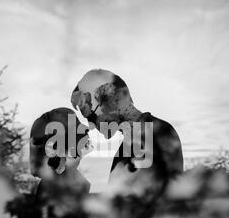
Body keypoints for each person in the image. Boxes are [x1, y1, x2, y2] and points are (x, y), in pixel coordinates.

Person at [71, 69, 183, 198]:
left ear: (115, 98)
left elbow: (177, 193)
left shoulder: (158, 131)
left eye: (93, 113)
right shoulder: (126, 145)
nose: (93, 125)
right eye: (89, 118)